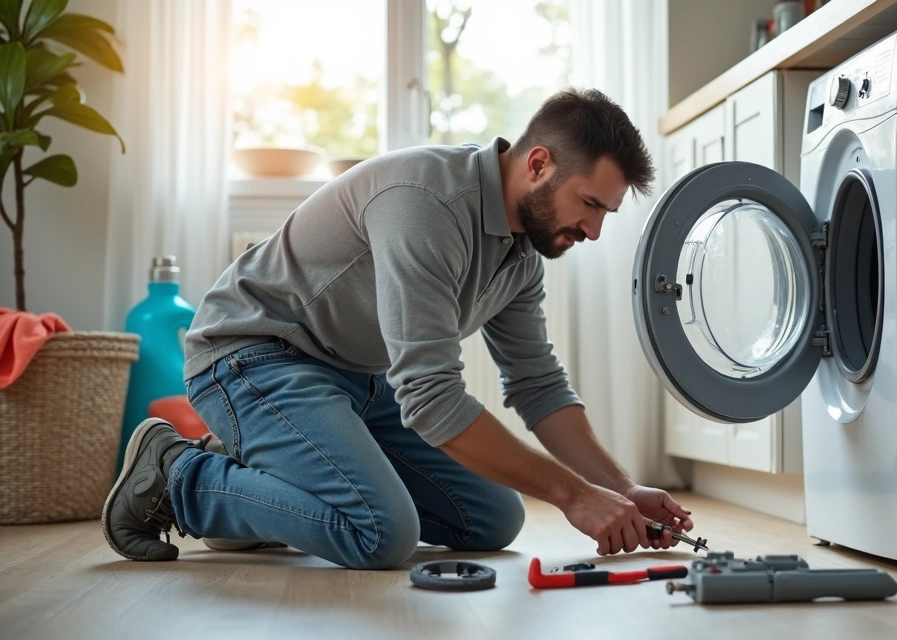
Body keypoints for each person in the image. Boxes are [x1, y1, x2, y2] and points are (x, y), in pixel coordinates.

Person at [101, 89, 694, 569]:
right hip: (251, 357)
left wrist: (619, 488)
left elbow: (538, 387)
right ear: (539, 163)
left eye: (605, 215)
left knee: (492, 519)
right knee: (380, 533)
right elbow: (432, 400)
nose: (593, 231)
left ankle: (265, 473)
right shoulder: (427, 203)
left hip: (351, 379)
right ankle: (180, 474)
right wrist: (572, 495)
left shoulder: (521, 256)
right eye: (589, 204)